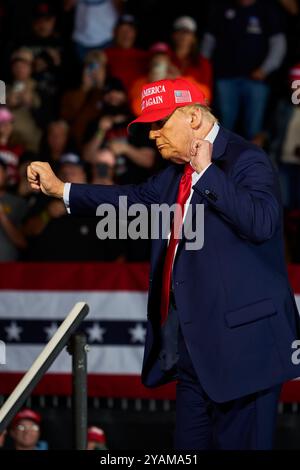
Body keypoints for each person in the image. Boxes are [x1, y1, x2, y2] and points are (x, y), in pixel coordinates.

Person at [27, 77, 300, 449]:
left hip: (245, 351)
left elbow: (262, 223)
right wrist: (62, 189)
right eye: (150, 126)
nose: (153, 135)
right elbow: (130, 199)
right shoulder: (174, 175)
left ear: (192, 117)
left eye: (160, 123)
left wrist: (208, 174)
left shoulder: (246, 158)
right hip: (193, 351)